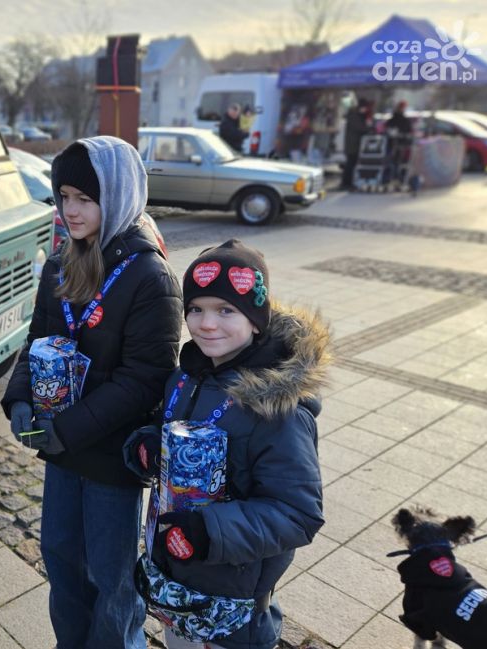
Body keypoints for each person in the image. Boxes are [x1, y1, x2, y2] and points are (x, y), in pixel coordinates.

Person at [2, 136, 182, 649]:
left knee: (112, 576)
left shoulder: (150, 275)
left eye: (85, 198)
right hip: (61, 450)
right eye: (64, 197)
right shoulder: (61, 262)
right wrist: (18, 401)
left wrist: (66, 430)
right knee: (61, 559)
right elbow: (38, 338)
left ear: (118, 193)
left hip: (108, 457)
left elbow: (143, 379)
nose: (70, 210)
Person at [124, 239, 329, 649]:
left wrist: (208, 532)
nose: (206, 324)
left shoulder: (277, 408)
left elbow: (298, 513)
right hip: (177, 580)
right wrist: (148, 445)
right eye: (196, 309)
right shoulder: (186, 376)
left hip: (231, 596)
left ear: (257, 320)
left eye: (226, 310)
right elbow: (165, 428)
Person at [341, 97, 373, 189]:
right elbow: (360, 128)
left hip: (353, 144)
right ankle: (346, 183)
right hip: (352, 145)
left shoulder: (356, 115)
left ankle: (348, 182)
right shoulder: (354, 116)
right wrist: (368, 129)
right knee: (350, 165)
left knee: (351, 164)